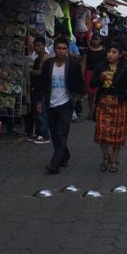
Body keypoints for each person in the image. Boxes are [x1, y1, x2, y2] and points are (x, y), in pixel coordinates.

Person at [38, 38, 84, 174]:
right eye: (59, 48)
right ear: (54, 50)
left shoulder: (73, 65)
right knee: (55, 134)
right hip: (51, 104)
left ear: (68, 50)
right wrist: (39, 101)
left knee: (61, 132)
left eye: (64, 49)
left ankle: (54, 164)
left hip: (66, 104)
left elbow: (80, 84)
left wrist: (76, 99)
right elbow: (42, 83)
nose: (61, 51)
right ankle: (65, 155)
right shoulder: (48, 64)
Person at [91, 44, 127, 173]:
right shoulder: (100, 67)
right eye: (109, 51)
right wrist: (100, 77)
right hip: (103, 102)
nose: (110, 54)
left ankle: (114, 160)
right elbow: (92, 85)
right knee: (102, 132)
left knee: (118, 134)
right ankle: (105, 157)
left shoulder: (124, 69)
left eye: (114, 52)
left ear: (120, 54)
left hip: (119, 104)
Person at [28, 37, 50, 144]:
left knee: (41, 111)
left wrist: (31, 71)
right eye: (36, 45)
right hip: (37, 87)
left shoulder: (45, 57)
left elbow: (41, 72)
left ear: (44, 45)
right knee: (37, 111)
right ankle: (38, 133)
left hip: (42, 87)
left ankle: (44, 134)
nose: (37, 48)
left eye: (39, 45)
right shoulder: (39, 57)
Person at [81, 34, 107, 120]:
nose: (95, 41)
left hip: (101, 73)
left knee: (101, 93)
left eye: (97, 39)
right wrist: (82, 74)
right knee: (91, 94)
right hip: (89, 72)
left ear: (100, 40)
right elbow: (84, 62)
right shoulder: (87, 50)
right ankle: (91, 111)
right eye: (94, 39)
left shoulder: (104, 50)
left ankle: (100, 111)